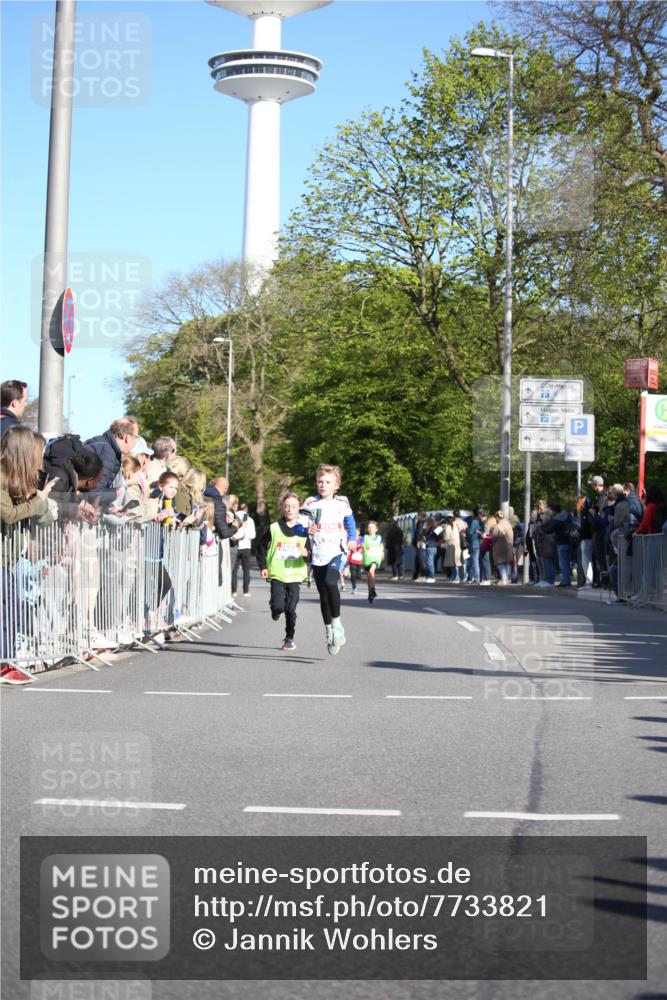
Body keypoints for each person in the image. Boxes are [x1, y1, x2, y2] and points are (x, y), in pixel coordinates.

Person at [1, 427, 57, 684]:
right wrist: (36, 502)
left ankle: (8, 661)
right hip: (3, 556)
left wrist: (39, 500)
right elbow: (9, 515)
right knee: (8, 611)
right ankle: (5, 663)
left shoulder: (20, 479)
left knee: (13, 611)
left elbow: (42, 520)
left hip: (10, 557)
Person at [302, 464, 357, 655]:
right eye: (320, 481)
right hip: (318, 553)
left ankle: (337, 623)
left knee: (330, 582)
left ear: (336, 485)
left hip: (337, 550)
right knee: (323, 595)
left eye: (328, 482)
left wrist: (351, 539)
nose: (323, 485)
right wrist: (305, 531)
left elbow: (350, 522)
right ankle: (329, 632)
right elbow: (300, 526)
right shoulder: (309, 503)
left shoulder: (342, 503)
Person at [256, 492, 309, 651]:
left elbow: (311, 551)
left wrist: (308, 554)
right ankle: (275, 609)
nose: (290, 509)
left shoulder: (306, 530)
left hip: (295, 573)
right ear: (282, 508)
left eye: (293, 506)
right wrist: (263, 566)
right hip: (277, 573)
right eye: (287, 506)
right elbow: (260, 546)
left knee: (291, 609)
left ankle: (289, 638)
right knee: (279, 606)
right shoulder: (273, 528)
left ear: (299, 508)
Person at [84, 416, 140, 509]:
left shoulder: (100, 442)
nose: (136, 441)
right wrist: (114, 493)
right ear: (127, 437)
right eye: (136, 437)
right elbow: (93, 493)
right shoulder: (107, 452)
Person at [233, 502, 256, 597]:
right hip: (246, 547)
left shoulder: (235, 517)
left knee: (234, 570)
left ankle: (233, 591)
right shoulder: (250, 520)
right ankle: (246, 591)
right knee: (246, 570)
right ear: (246, 509)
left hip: (235, 546)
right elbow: (252, 535)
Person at [362, 521, 384, 603]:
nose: (370, 529)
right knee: (369, 576)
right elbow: (360, 544)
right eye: (369, 527)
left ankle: (373, 589)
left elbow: (381, 546)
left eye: (372, 527)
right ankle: (370, 592)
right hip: (367, 559)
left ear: (376, 529)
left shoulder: (379, 538)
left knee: (371, 571)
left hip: (376, 558)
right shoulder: (364, 537)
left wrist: (382, 553)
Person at [491, 511, 514, 585]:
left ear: (497, 517)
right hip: (509, 546)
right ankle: (508, 578)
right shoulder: (509, 525)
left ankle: (504, 579)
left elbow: (493, 537)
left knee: (500, 563)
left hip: (500, 548)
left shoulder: (498, 526)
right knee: (507, 562)